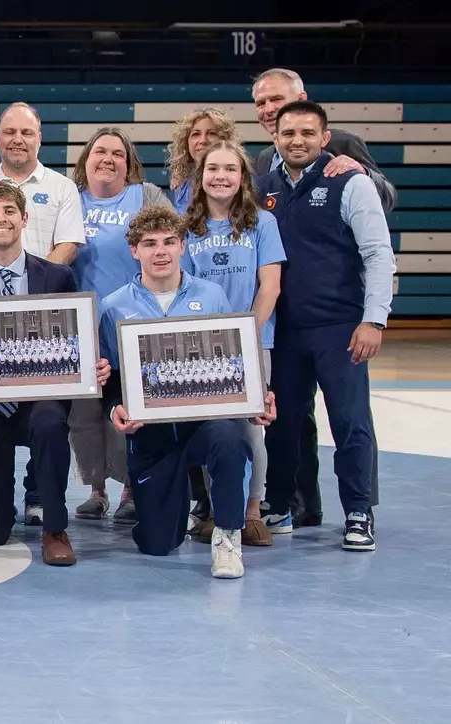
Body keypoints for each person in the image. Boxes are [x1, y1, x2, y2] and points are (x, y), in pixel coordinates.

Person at [0, 182, 108, 565]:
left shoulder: (56, 276)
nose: (2, 219)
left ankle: (55, 528)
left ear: (24, 219)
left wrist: (92, 364)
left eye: (9, 211)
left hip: (37, 400)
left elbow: (76, 339)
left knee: (48, 421)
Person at [250, 68, 393, 526]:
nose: (293, 137)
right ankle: (289, 506)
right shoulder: (262, 176)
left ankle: (358, 511)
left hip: (338, 325)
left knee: (350, 421)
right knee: (286, 423)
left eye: (305, 131)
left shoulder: (348, 168)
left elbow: (378, 250)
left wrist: (375, 319)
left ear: (323, 135)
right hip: (285, 327)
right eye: (284, 129)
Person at [100, 206, 273, 579]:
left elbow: (233, 358)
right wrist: (115, 406)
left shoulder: (211, 296)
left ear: (182, 247)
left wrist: (259, 396)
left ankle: (228, 536)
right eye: (150, 244)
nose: (160, 251)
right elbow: (110, 376)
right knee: (157, 544)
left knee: (231, 439)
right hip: (152, 432)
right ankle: (165, 512)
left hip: (203, 422)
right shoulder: (113, 306)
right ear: (135, 250)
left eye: (169, 242)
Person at [180, 141, 285, 547]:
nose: (220, 176)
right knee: (214, 428)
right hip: (204, 347)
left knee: (251, 430)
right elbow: (184, 289)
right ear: (200, 176)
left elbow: (270, 287)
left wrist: (245, 337)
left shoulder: (262, 223)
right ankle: (214, 508)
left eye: (229, 169)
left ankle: (253, 513)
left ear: (243, 177)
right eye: (212, 169)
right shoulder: (186, 226)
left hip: (254, 342)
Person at [68, 127, 172, 523]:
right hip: (81, 326)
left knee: (128, 407)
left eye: (117, 153)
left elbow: (168, 239)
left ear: (129, 163)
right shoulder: (70, 199)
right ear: (86, 159)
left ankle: (129, 488)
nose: (107, 159)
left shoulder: (144, 195)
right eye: (100, 152)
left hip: (133, 321)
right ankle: (95, 489)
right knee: (83, 413)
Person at [0, 102, 84, 266]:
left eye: (27, 133)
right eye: (10, 132)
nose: (18, 140)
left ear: (39, 139)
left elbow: (67, 246)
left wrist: (38, 282)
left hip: (45, 289)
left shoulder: (64, 188)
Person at [250, 68, 396, 210]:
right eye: (261, 103)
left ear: (301, 99)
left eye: (276, 99)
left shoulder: (342, 143)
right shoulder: (263, 159)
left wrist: (364, 172)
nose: (268, 110)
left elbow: (388, 198)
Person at [166, 107, 240, 213]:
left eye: (212, 133)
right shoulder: (182, 183)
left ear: (225, 140)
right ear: (186, 143)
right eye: (196, 134)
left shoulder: (238, 179)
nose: (203, 140)